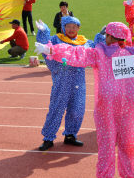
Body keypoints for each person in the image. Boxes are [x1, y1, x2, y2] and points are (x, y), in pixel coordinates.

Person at [34, 22, 134, 178]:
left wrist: (52, 49)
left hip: (108, 109)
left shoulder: (101, 53)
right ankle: (129, 177)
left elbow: (78, 54)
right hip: (129, 109)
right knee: (130, 146)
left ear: (110, 36)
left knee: (107, 147)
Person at [35, 16, 96, 152]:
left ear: (79, 28)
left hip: (78, 81)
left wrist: (102, 36)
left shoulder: (85, 42)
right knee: (56, 108)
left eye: (74, 27)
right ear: (63, 27)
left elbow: (98, 49)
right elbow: (45, 45)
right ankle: (48, 138)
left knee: (77, 110)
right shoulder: (56, 39)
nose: (71, 29)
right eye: (68, 26)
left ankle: (70, 135)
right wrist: (43, 31)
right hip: (62, 80)